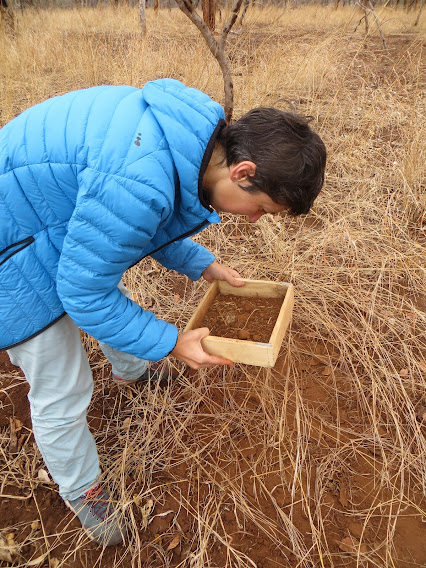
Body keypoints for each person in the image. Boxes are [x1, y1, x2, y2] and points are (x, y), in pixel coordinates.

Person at [0, 78, 326, 546]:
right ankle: (81, 489)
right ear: (243, 171)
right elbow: (85, 292)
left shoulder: (188, 139)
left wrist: (200, 262)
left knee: (99, 270)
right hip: (11, 252)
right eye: (261, 209)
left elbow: (141, 219)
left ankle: (131, 370)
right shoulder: (136, 178)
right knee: (63, 382)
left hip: (40, 215)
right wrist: (172, 342)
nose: (254, 220)